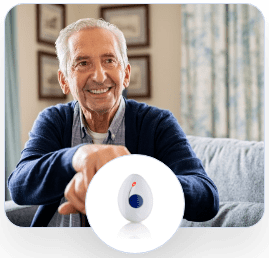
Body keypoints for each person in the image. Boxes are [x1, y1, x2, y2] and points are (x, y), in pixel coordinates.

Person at [8, 18, 219, 227]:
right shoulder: (53, 119)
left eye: (109, 60)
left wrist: (136, 177)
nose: (99, 76)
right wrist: (77, 156)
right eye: (83, 63)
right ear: (64, 80)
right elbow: (19, 187)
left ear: (125, 74)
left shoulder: (156, 123)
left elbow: (207, 199)